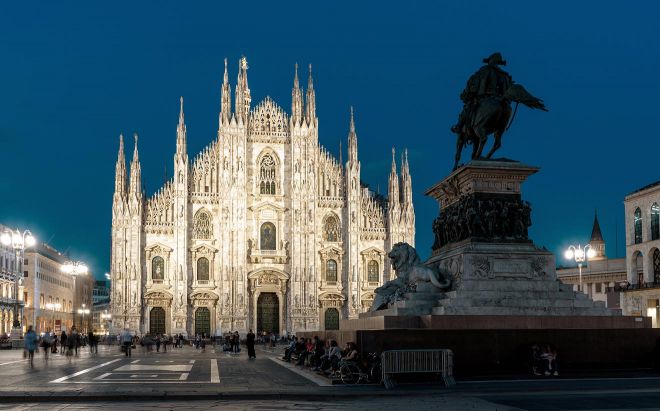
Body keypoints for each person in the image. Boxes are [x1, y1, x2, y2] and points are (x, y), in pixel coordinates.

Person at [451, 52, 513, 135]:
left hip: (484, 96)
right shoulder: (502, 74)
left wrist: (474, 93)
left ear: (490, 61)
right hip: (497, 97)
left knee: (467, 108)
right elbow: (504, 89)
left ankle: (459, 126)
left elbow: (479, 84)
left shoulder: (484, 70)